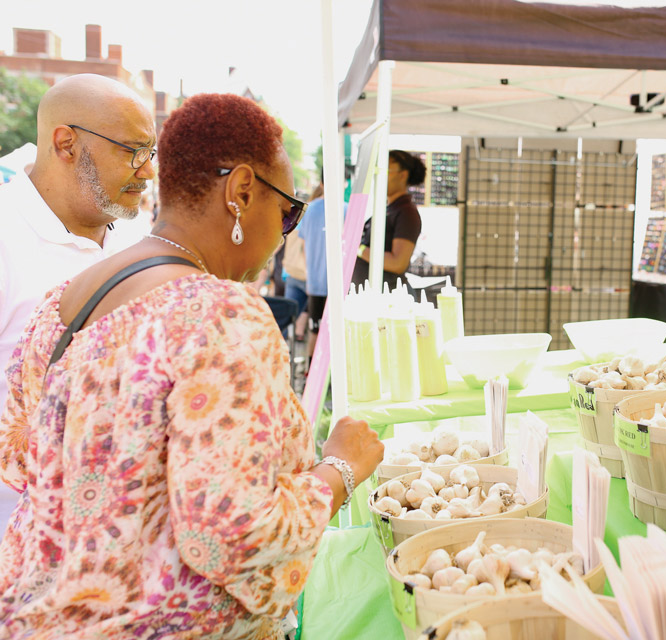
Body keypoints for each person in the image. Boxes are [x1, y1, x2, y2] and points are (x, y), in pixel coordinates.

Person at [0, 93, 383, 637]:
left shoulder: (65, 301)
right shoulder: (221, 316)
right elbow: (234, 537)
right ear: (242, 191)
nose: (283, 234)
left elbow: (19, 459)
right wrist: (339, 471)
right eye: (288, 211)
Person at [0, 73, 157, 538]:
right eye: (132, 150)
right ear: (66, 144)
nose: (147, 170)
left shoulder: (132, 233)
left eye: (151, 153)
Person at [352, 150, 426, 289]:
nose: (379, 176)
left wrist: (358, 248)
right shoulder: (389, 208)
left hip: (389, 300)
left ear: (403, 175)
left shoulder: (406, 212)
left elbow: (398, 263)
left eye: (386, 171)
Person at [298, 184, 329, 357]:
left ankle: (312, 376)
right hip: (333, 285)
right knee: (326, 332)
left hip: (315, 282)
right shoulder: (347, 209)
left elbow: (303, 246)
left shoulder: (309, 210)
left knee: (315, 331)